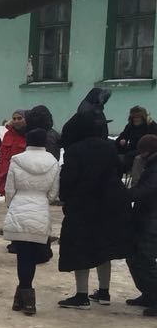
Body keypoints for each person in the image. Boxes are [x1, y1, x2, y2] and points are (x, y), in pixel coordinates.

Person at [57, 110, 132, 308]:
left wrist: (65, 198)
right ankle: (104, 292)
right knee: (103, 247)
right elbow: (118, 168)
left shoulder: (75, 150)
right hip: (109, 204)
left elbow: (68, 179)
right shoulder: (109, 147)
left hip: (82, 205)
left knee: (80, 248)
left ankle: (81, 295)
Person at [3, 128, 59, 315]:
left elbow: (9, 189)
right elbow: (53, 193)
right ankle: (23, 299)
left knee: (23, 255)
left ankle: (26, 299)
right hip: (40, 209)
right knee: (32, 257)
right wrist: (42, 199)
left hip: (19, 206)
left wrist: (11, 204)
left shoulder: (17, 160)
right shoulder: (53, 162)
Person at [126, 134, 157, 315]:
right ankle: (148, 293)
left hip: (152, 221)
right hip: (145, 218)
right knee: (134, 257)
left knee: (145, 259)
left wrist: (127, 195)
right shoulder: (151, 166)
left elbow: (147, 191)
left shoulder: (154, 168)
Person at [115, 105, 156, 174]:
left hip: (146, 152)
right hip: (131, 150)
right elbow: (122, 137)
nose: (136, 119)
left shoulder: (151, 126)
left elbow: (154, 142)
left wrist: (146, 152)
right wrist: (121, 141)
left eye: (138, 117)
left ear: (143, 117)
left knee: (135, 158)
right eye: (134, 117)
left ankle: (135, 182)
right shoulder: (130, 126)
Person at [0, 110, 28, 196]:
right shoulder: (8, 135)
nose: (16, 121)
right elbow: (2, 160)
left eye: (19, 118)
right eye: (14, 118)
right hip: (9, 180)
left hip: (25, 181)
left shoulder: (30, 135)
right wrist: (1, 180)